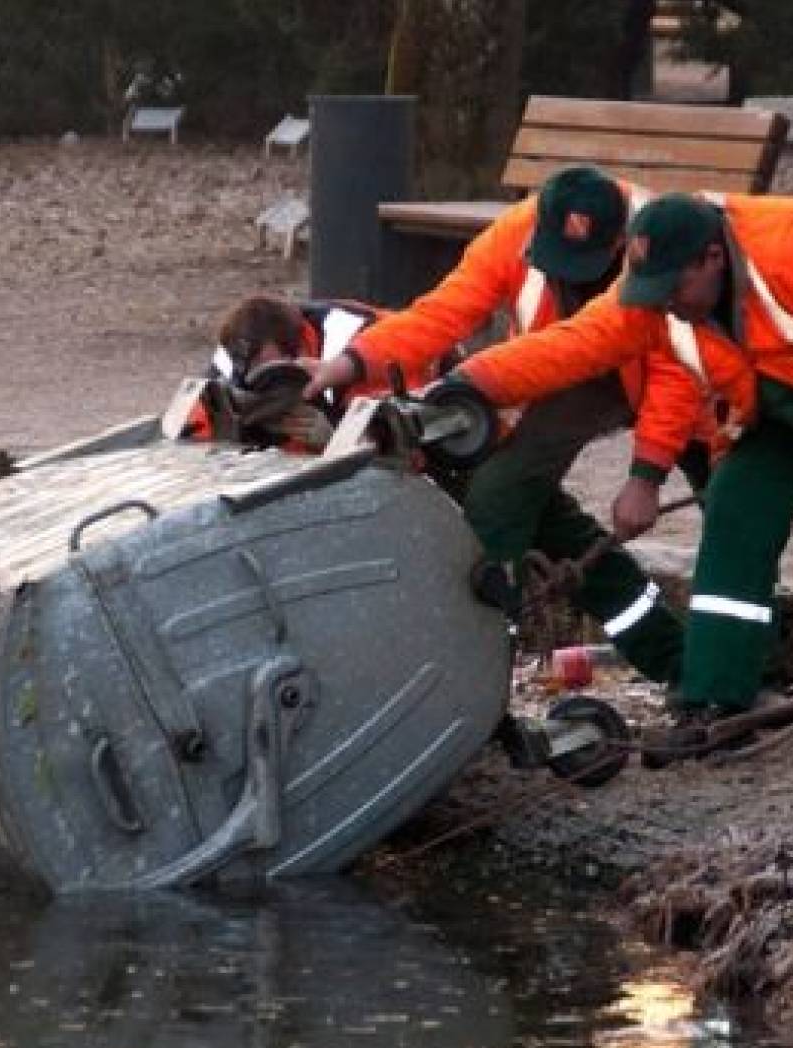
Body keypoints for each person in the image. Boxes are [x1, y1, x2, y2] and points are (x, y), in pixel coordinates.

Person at [424, 191, 793, 758]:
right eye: (654, 291)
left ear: (712, 259)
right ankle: (718, 701)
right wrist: (464, 388)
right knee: (735, 504)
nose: (666, 305)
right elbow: (570, 347)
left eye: (675, 289)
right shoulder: (663, 294)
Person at [304, 166, 710, 686]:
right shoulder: (512, 236)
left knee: (730, 521)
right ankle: (660, 662)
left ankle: (728, 672)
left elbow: (679, 371)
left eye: (587, 266)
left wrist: (647, 475)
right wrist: (352, 363)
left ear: (620, 243)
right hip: (566, 370)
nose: (571, 277)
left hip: (693, 389)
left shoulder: (663, 251)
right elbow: (441, 314)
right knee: (507, 495)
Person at [185, 295, 393, 451]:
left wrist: (336, 440)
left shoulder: (358, 345)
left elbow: (397, 448)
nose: (267, 383)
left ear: (300, 349)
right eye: (258, 374)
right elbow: (192, 434)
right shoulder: (232, 355)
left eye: (274, 371)